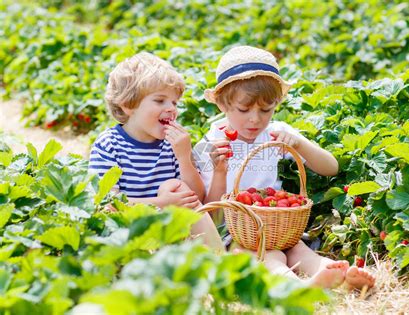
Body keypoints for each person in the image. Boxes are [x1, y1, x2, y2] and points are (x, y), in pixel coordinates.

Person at [194, 45, 375, 289]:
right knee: (269, 257)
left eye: (266, 110)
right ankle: (295, 287)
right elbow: (211, 212)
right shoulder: (210, 144)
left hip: (278, 224)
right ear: (222, 105)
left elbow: (330, 167)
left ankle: (332, 272)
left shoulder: (277, 134)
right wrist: (219, 171)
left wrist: (299, 144)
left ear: (276, 104)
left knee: (298, 249)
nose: (255, 119)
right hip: (236, 233)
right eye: (244, 110)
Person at [88, 51, 224, 251]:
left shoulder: (171, 145)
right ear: (127, 105)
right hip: (128, 235)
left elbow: (195, 200)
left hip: (171, 234)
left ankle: (217, 259)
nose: (171, 108)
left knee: (174, 185)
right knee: (170, 190)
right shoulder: (109, 144)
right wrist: (161, 203)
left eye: (174, 102)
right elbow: (105, 205)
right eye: (160, 101)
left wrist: (184, 157)